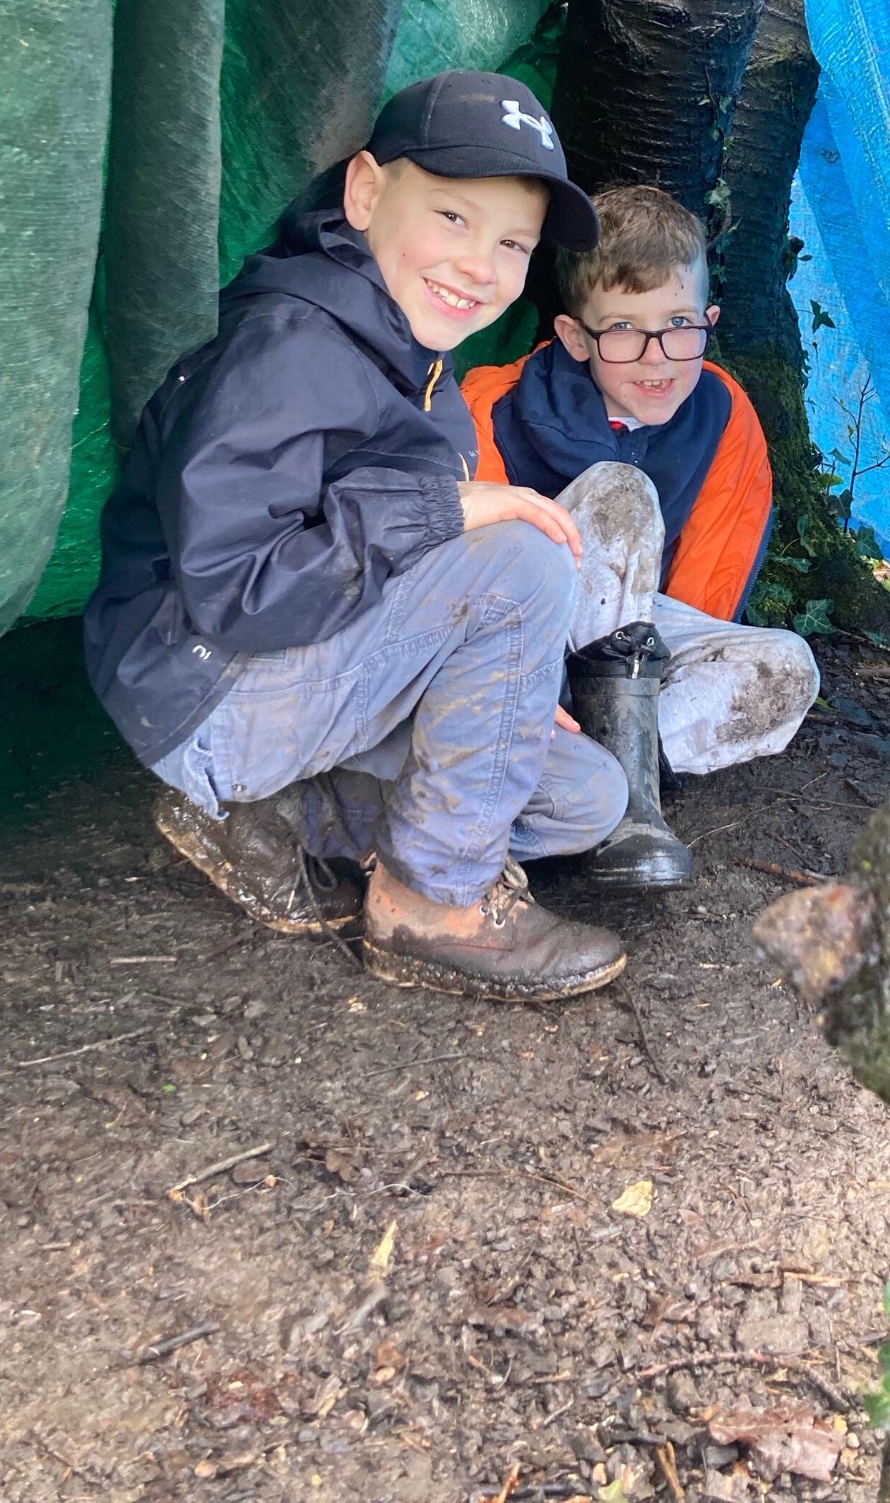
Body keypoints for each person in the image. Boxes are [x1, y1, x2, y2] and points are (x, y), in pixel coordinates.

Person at [83, 72, 631, 1002]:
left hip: (311, 676)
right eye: (452, 218)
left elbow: (412, 587)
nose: (479, 265)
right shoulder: (293, 344)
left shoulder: (412, 354)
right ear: (367, 193)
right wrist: (440, 516)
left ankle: (279, 815)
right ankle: (432, 903)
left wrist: (504, 686)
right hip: (209, 689)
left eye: (511, 243)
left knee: (587, 795)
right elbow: (238, 591)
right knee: (526, 555)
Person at [462, 183, 820, 889]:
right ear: (574, 336)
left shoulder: (721, 409)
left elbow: (710, 577)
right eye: (623, 329)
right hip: (528, 638)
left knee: (788, 668)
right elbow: (474, 579)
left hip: (641, 649)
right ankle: (607, 801)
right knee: (621, 491)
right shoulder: (496, 402)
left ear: (709, 320)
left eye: (679, 324)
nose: (657, 358)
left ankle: (612, 787)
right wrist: (531, 685)